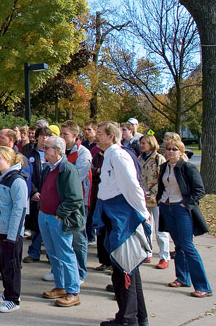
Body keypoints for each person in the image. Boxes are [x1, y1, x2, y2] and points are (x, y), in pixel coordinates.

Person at [95, 122, 150, 326]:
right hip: (114, 214)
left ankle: (127, 319)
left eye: (100, 134)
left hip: (122, 217)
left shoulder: (118, 155)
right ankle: (139, 316)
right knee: (129, 267)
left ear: (111, 136)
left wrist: (142, 214)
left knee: (124, 269)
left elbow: (132, 186)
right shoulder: (109, 155)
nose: (96, 137)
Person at [157, 138, 212, 298]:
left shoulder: (187, 167)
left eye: (174, 149)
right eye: (168, 149)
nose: (171, 152)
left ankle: (203, 287)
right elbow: (162, 186)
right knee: (179, 245)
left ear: (181, 152)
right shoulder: (164, 167)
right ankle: (182, 278)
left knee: (188, 246)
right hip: (167, 208)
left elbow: (199, 190)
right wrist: (161, 200)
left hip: (181, 209)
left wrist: (185, 204)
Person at [37, 136, 84, 308]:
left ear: (57, 150)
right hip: (45, 216)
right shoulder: (48, 168)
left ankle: (73, 291)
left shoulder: (67, 169)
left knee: (65, 254)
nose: (44, 149)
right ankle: (60, 286)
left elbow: (75, 198)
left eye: (47, 147)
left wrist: (60, 214)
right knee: (53, 253)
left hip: (58, 219)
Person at [0, 147, 29, 313]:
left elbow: (20, 209)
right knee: (3, 265)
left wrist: (13, 235)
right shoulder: (2, 178)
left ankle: (13, 298)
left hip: (9, 233)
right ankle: (7, 292)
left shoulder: (17, 180)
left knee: (11, 266)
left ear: (9, 159)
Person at [60, 121, 92, 284]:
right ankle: (59, 270)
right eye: (61, 134)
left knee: (78, 237)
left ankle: (80, 272)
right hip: (61, 199)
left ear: (75, 136)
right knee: (61, 236)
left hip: (78, 201)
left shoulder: (83, 153)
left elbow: (76, 178)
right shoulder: (60, 151)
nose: (62, 137)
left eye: (65, 134)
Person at [138, 134, 169, 269]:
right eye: (141, 143)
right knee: (146, 226)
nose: (142, 145)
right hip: (143, 197)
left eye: (145, 143)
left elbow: (162, 178)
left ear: (151, 144)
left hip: (157, 198)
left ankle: (164, 256)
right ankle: (147, 251)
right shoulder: (139, 158)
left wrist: (154, 193)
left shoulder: (158, 158)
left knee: (160, 229)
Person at [23, 126, 50, 263]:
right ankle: (34, 252)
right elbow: (27, 176)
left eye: (47, 136)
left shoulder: (53, 154)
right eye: (42, 135)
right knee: (35, 225)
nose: (44, 138)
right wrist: (33, 191)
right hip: (36, 195)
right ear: (37, 137)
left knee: (50, 227)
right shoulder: (30, 156)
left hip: (50, 195)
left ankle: (51, 255)